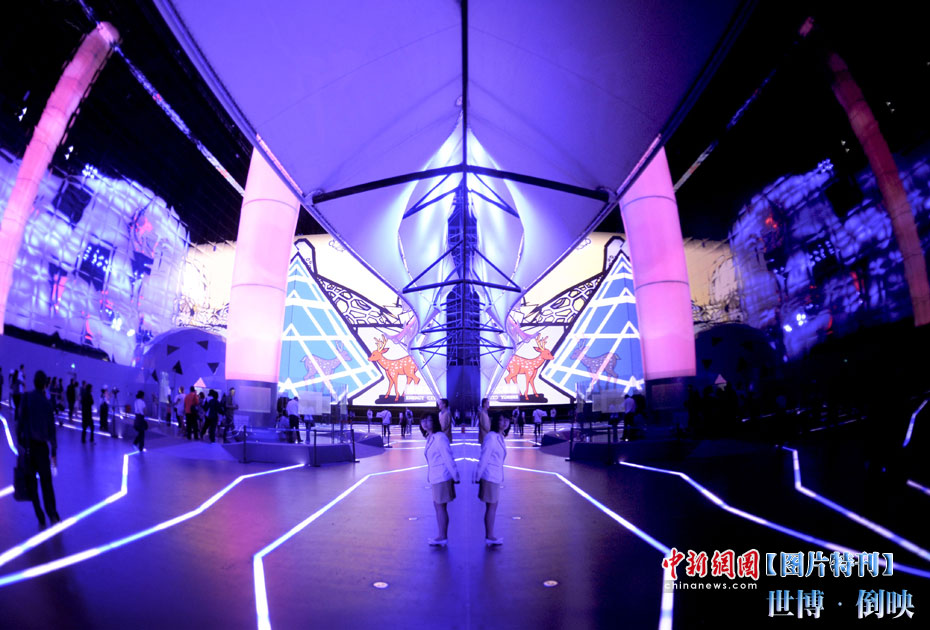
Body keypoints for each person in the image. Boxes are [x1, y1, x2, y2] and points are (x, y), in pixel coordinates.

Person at [15, 370, 61, 530]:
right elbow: (52, 431)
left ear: (34, 382)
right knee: (46, 483)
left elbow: (19, 423)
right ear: (45, 385)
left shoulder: (26, 398)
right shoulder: (47, 404)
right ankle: (52, 514)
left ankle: (39, 515)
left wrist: (20, 444)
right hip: (42, 449)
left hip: (28, 447)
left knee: (31, 483)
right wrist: (53, 451)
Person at [423, 413, 460, 546]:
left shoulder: (440, 438)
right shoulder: (430, 437)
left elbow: (448, 458)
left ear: (435, 422)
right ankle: (442, 536)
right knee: (439, 507)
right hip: (436, 477)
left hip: (442, 477)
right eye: (423, 420)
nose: (425, 423)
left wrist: (455, 476)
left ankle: (442, 537)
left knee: (440, 508)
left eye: (429, 420)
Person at [474, 413, 507, 546]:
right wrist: (478, 476)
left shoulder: (499, 436)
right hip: (490, 476)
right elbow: (484, 458)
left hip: (494, 476)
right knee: (491, 507)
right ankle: (490, 536)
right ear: (495, 422)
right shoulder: (492, 438)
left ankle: (490, 536)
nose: (504, 422)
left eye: (506, 420)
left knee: (492, 507)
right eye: (501, 420)